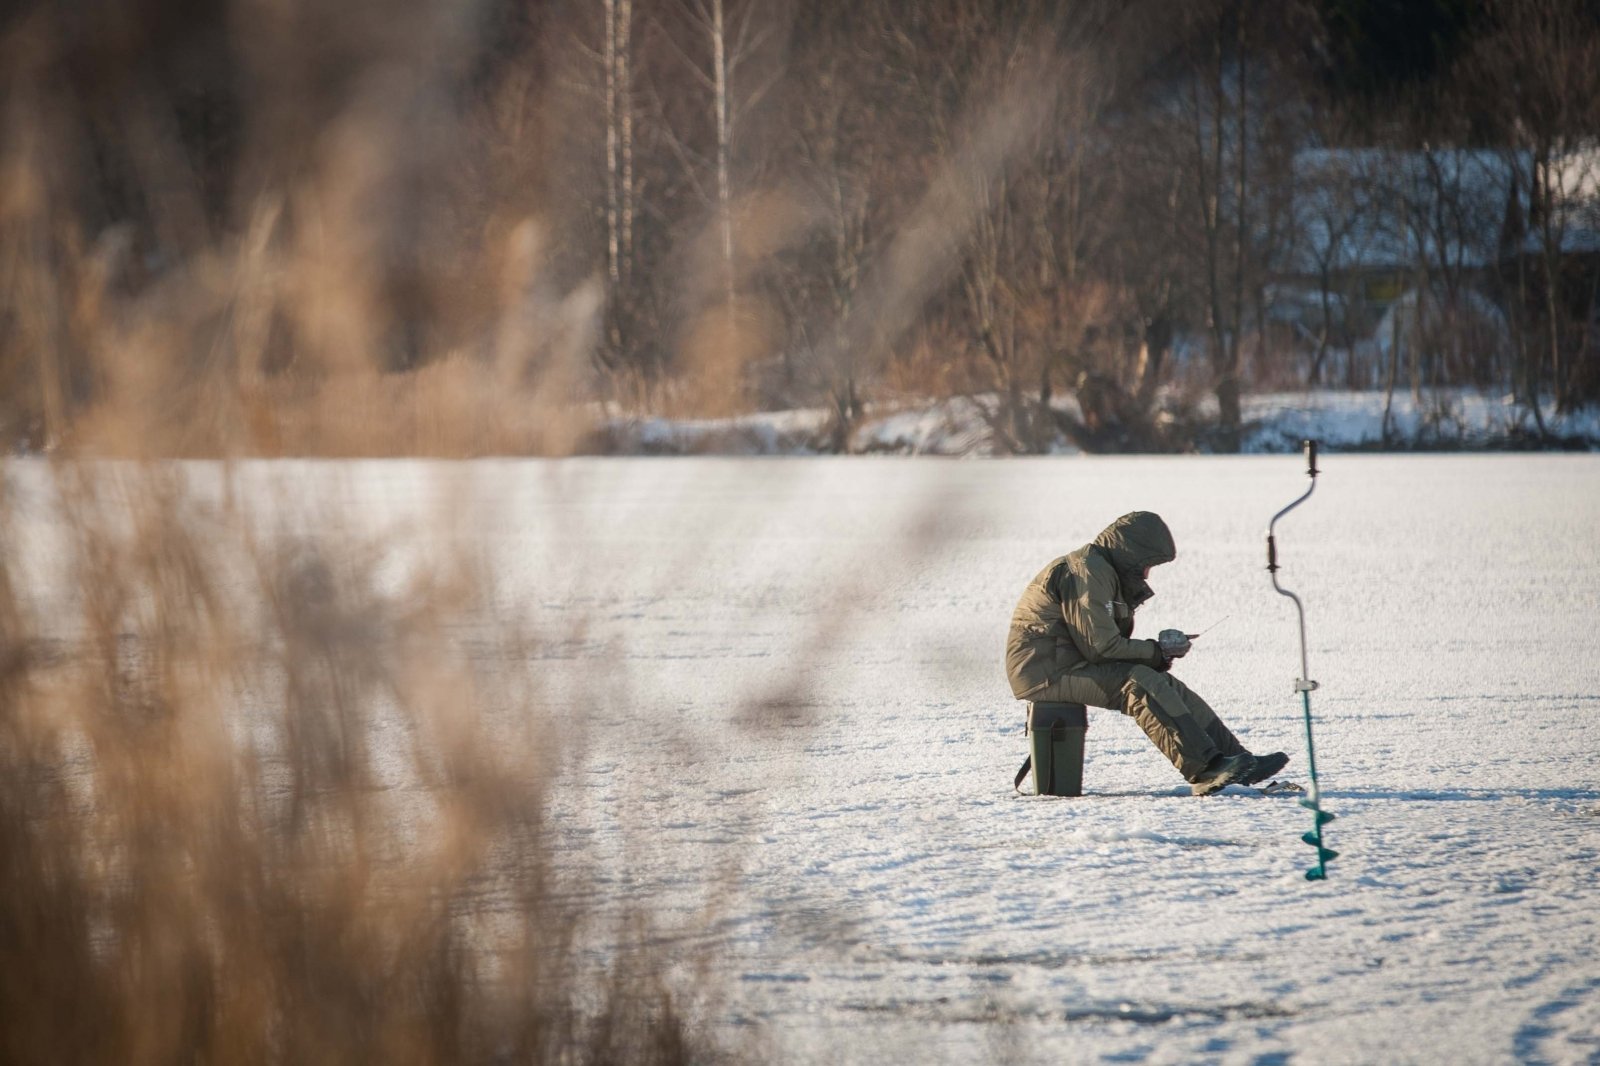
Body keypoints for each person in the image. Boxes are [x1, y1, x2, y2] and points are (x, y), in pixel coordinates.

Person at [1006, 511, 1288, 796]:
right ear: (1131, 554)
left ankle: (1237, 760)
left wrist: (1158, 655)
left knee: (1164, 683)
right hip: (1045, 673)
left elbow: (1101, 643)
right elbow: (1101, 647)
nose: (1147, 574)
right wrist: (1157, 651)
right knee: (1138, 684)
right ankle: (1206, 770)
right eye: (1147, 565)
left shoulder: (1101, 570)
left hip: (1068, 664)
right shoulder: (1089, 572)